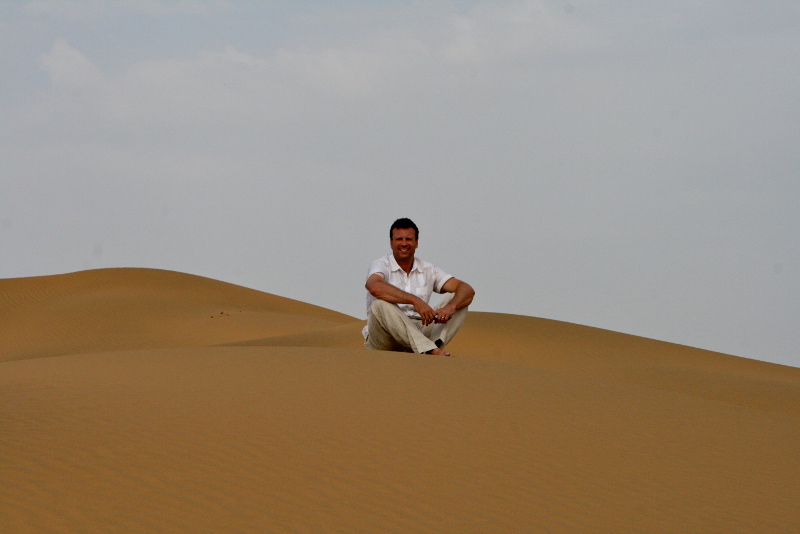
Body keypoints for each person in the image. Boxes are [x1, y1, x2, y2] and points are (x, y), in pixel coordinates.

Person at [363, 218, 475, 357]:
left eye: (409, 239)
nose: (404, 243)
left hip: (421, 329)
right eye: (399, 239)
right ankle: (428, 350)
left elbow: (466, 289)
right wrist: (416, 301)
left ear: (416, 243)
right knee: (379, 305)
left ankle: (429, 347)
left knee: (459, 300)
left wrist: (450, 307)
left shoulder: (428, 268)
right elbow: (374, 286)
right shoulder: (380, 264)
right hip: (385, 338)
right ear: (391, 243)